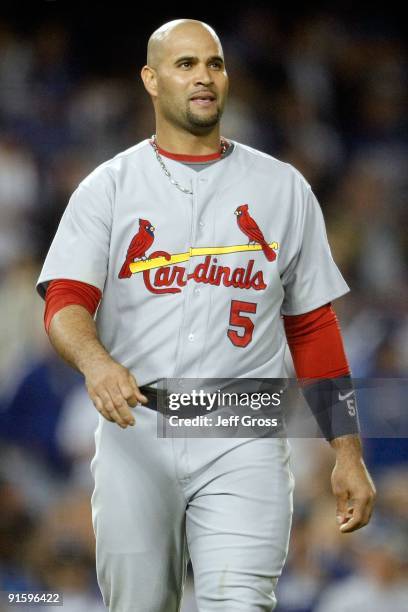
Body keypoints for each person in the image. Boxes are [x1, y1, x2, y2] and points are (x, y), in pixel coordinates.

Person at [36, 18, 376, 612]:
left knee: (240, 602)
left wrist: (347, 451)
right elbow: (65, 301)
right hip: (135, 425)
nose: (203, 77)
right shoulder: (109, 187)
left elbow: (314, 329)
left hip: (243, 424)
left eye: (214, 64)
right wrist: (95, 363)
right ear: (151, 78)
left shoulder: (283, 188)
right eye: (185, 64)